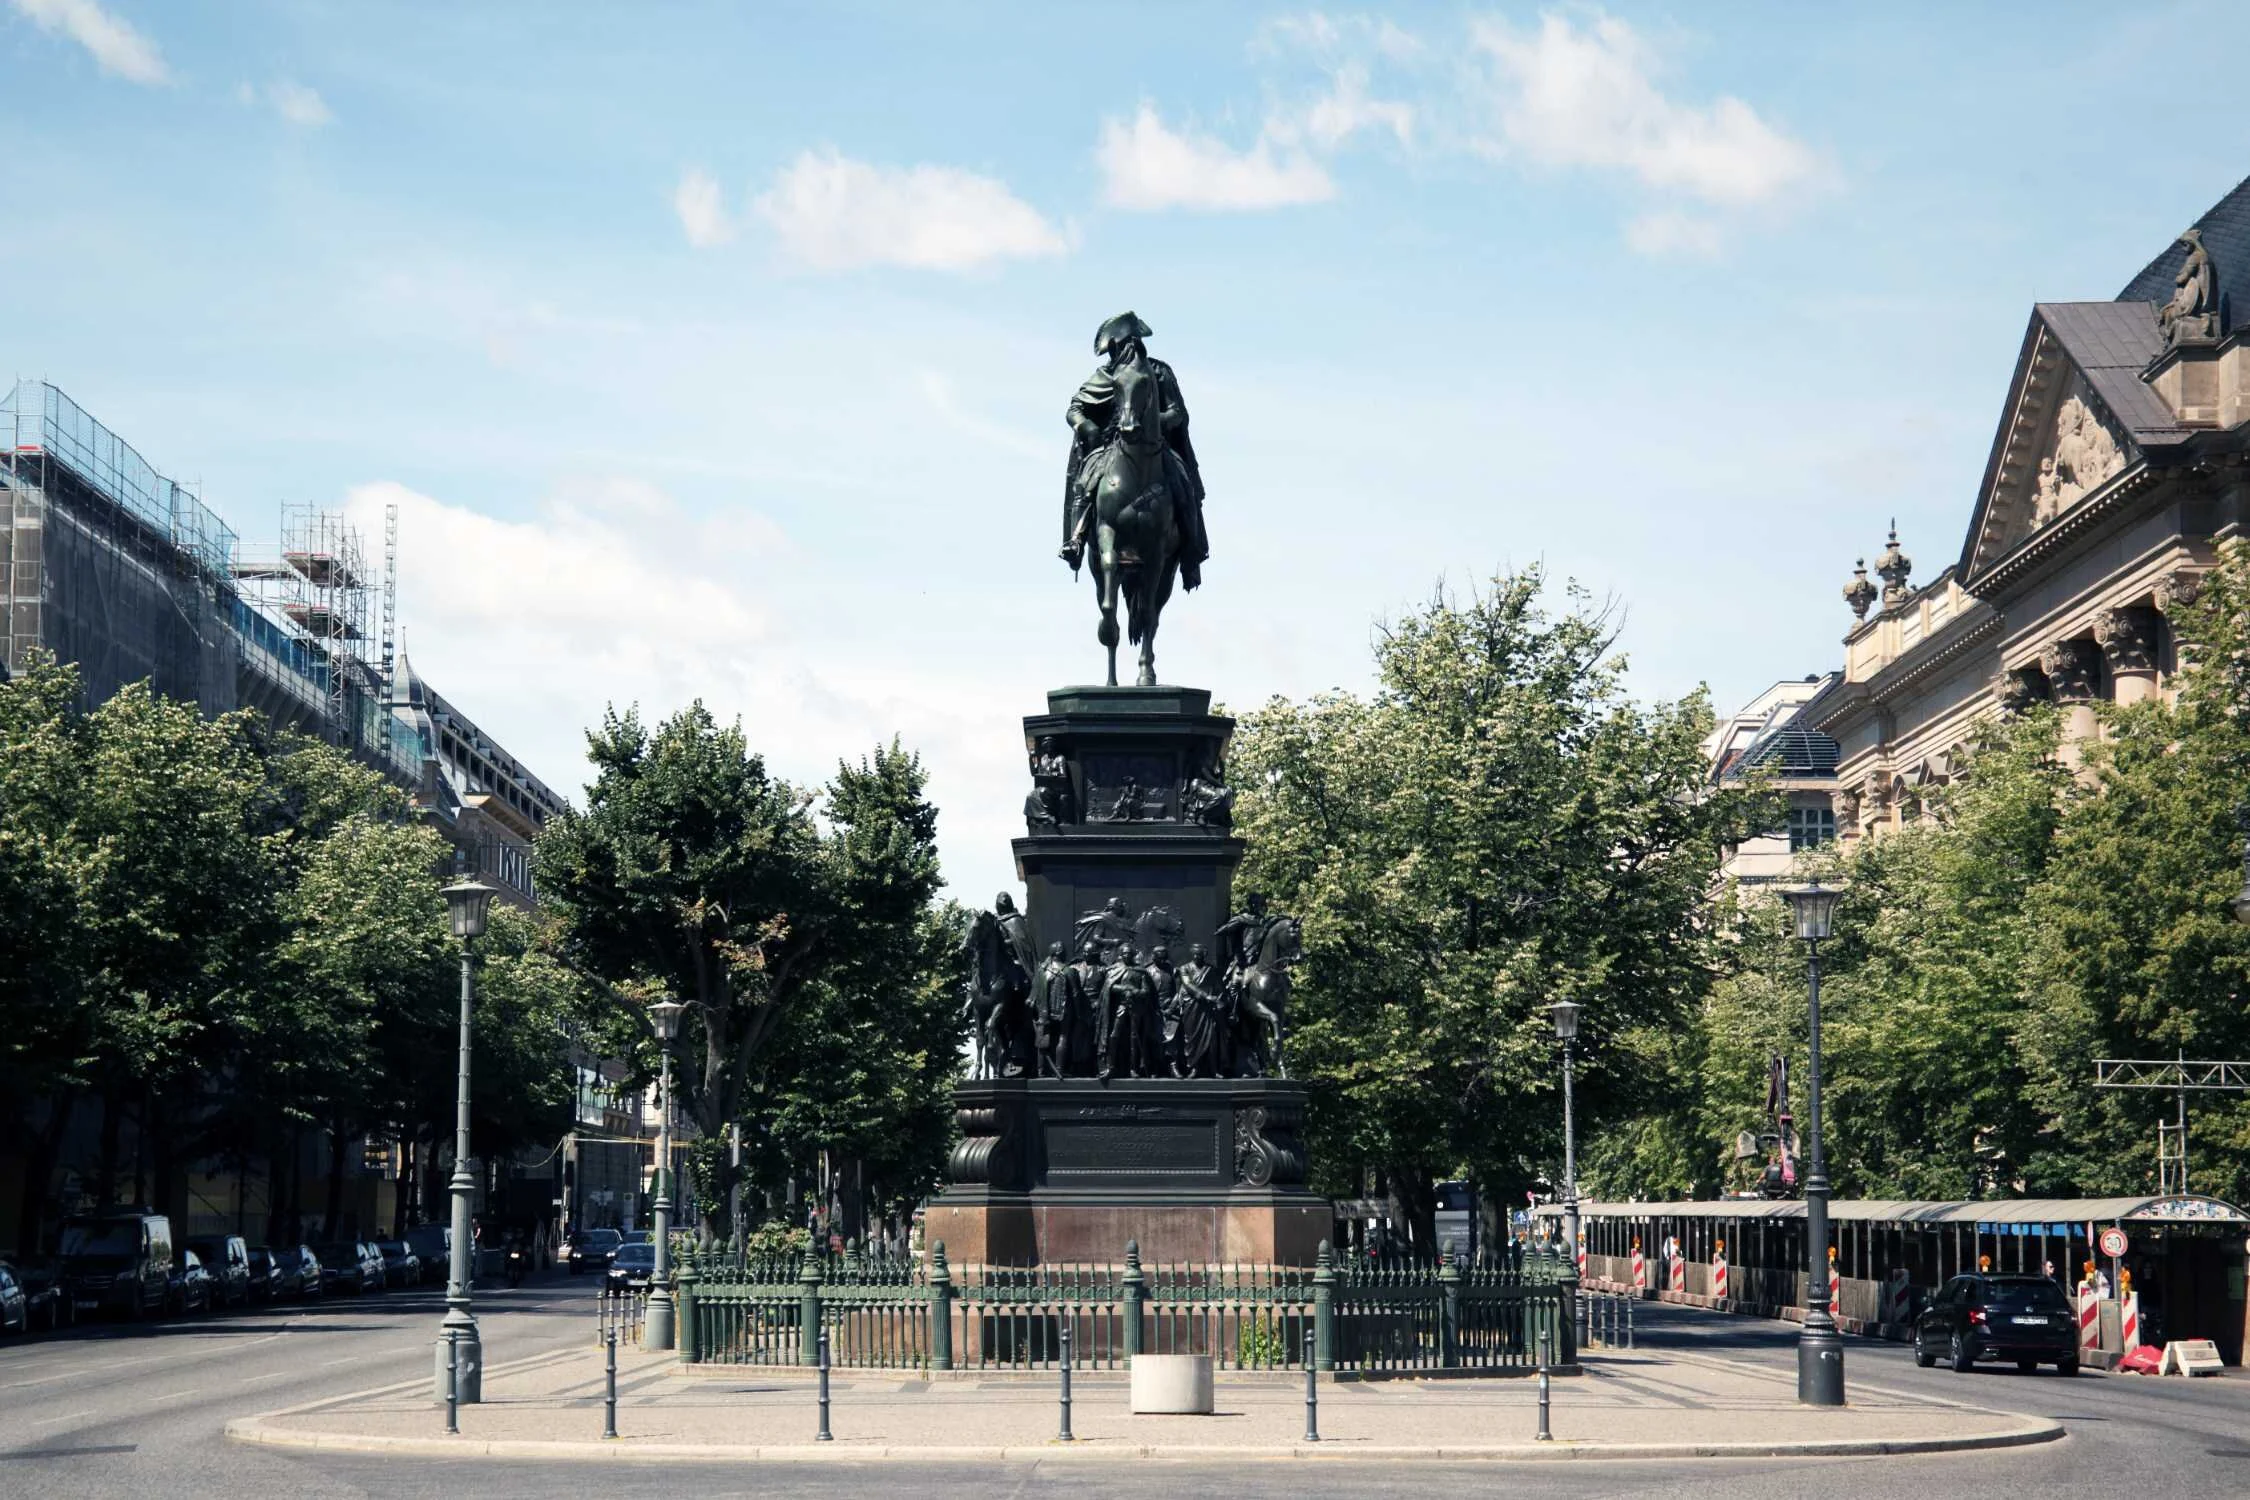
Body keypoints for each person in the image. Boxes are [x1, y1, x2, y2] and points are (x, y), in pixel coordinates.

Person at [1061, 312, 1209, 588]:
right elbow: (1075, 408)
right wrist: (1087, 427)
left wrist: (1153, 422)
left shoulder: (1159, 372)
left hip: (1155, 444)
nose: (1124, 351)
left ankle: (1192, 550)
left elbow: (1177, 412)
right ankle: (1076, 539)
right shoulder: (1104, 375)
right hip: (1110, 445)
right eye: (1119, 348)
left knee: (1184, 485)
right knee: (1085, 482)